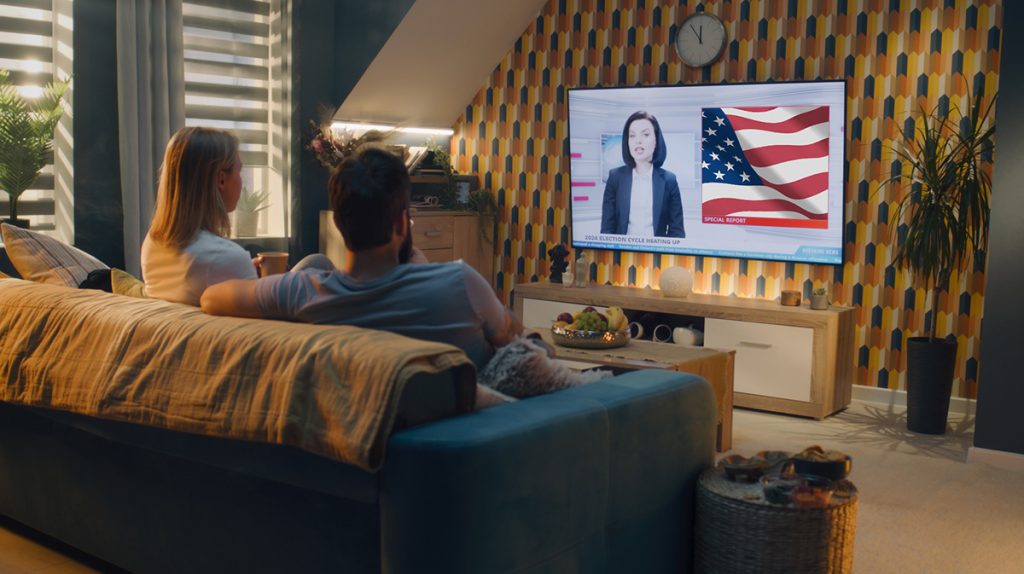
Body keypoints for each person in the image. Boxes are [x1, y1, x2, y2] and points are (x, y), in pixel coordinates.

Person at [199, 148, 524, 372]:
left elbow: (210, 298)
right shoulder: (459, 284)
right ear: (401, 223)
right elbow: (514, 340)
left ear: (338, 224)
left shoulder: (301, 291)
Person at [142, 126, 258, 305]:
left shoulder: (152, 242)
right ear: (221, 179)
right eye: (239, 170)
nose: (241, 181)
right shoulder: (227, 257)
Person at [600, 111, 685, 238]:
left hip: (659, 254)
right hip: (622, 253)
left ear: (656, 140)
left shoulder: (669, 180)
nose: (638, 141)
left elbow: (677, 231)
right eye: (632, 135)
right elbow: (607, 229)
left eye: (645, 134)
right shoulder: (615, 177)